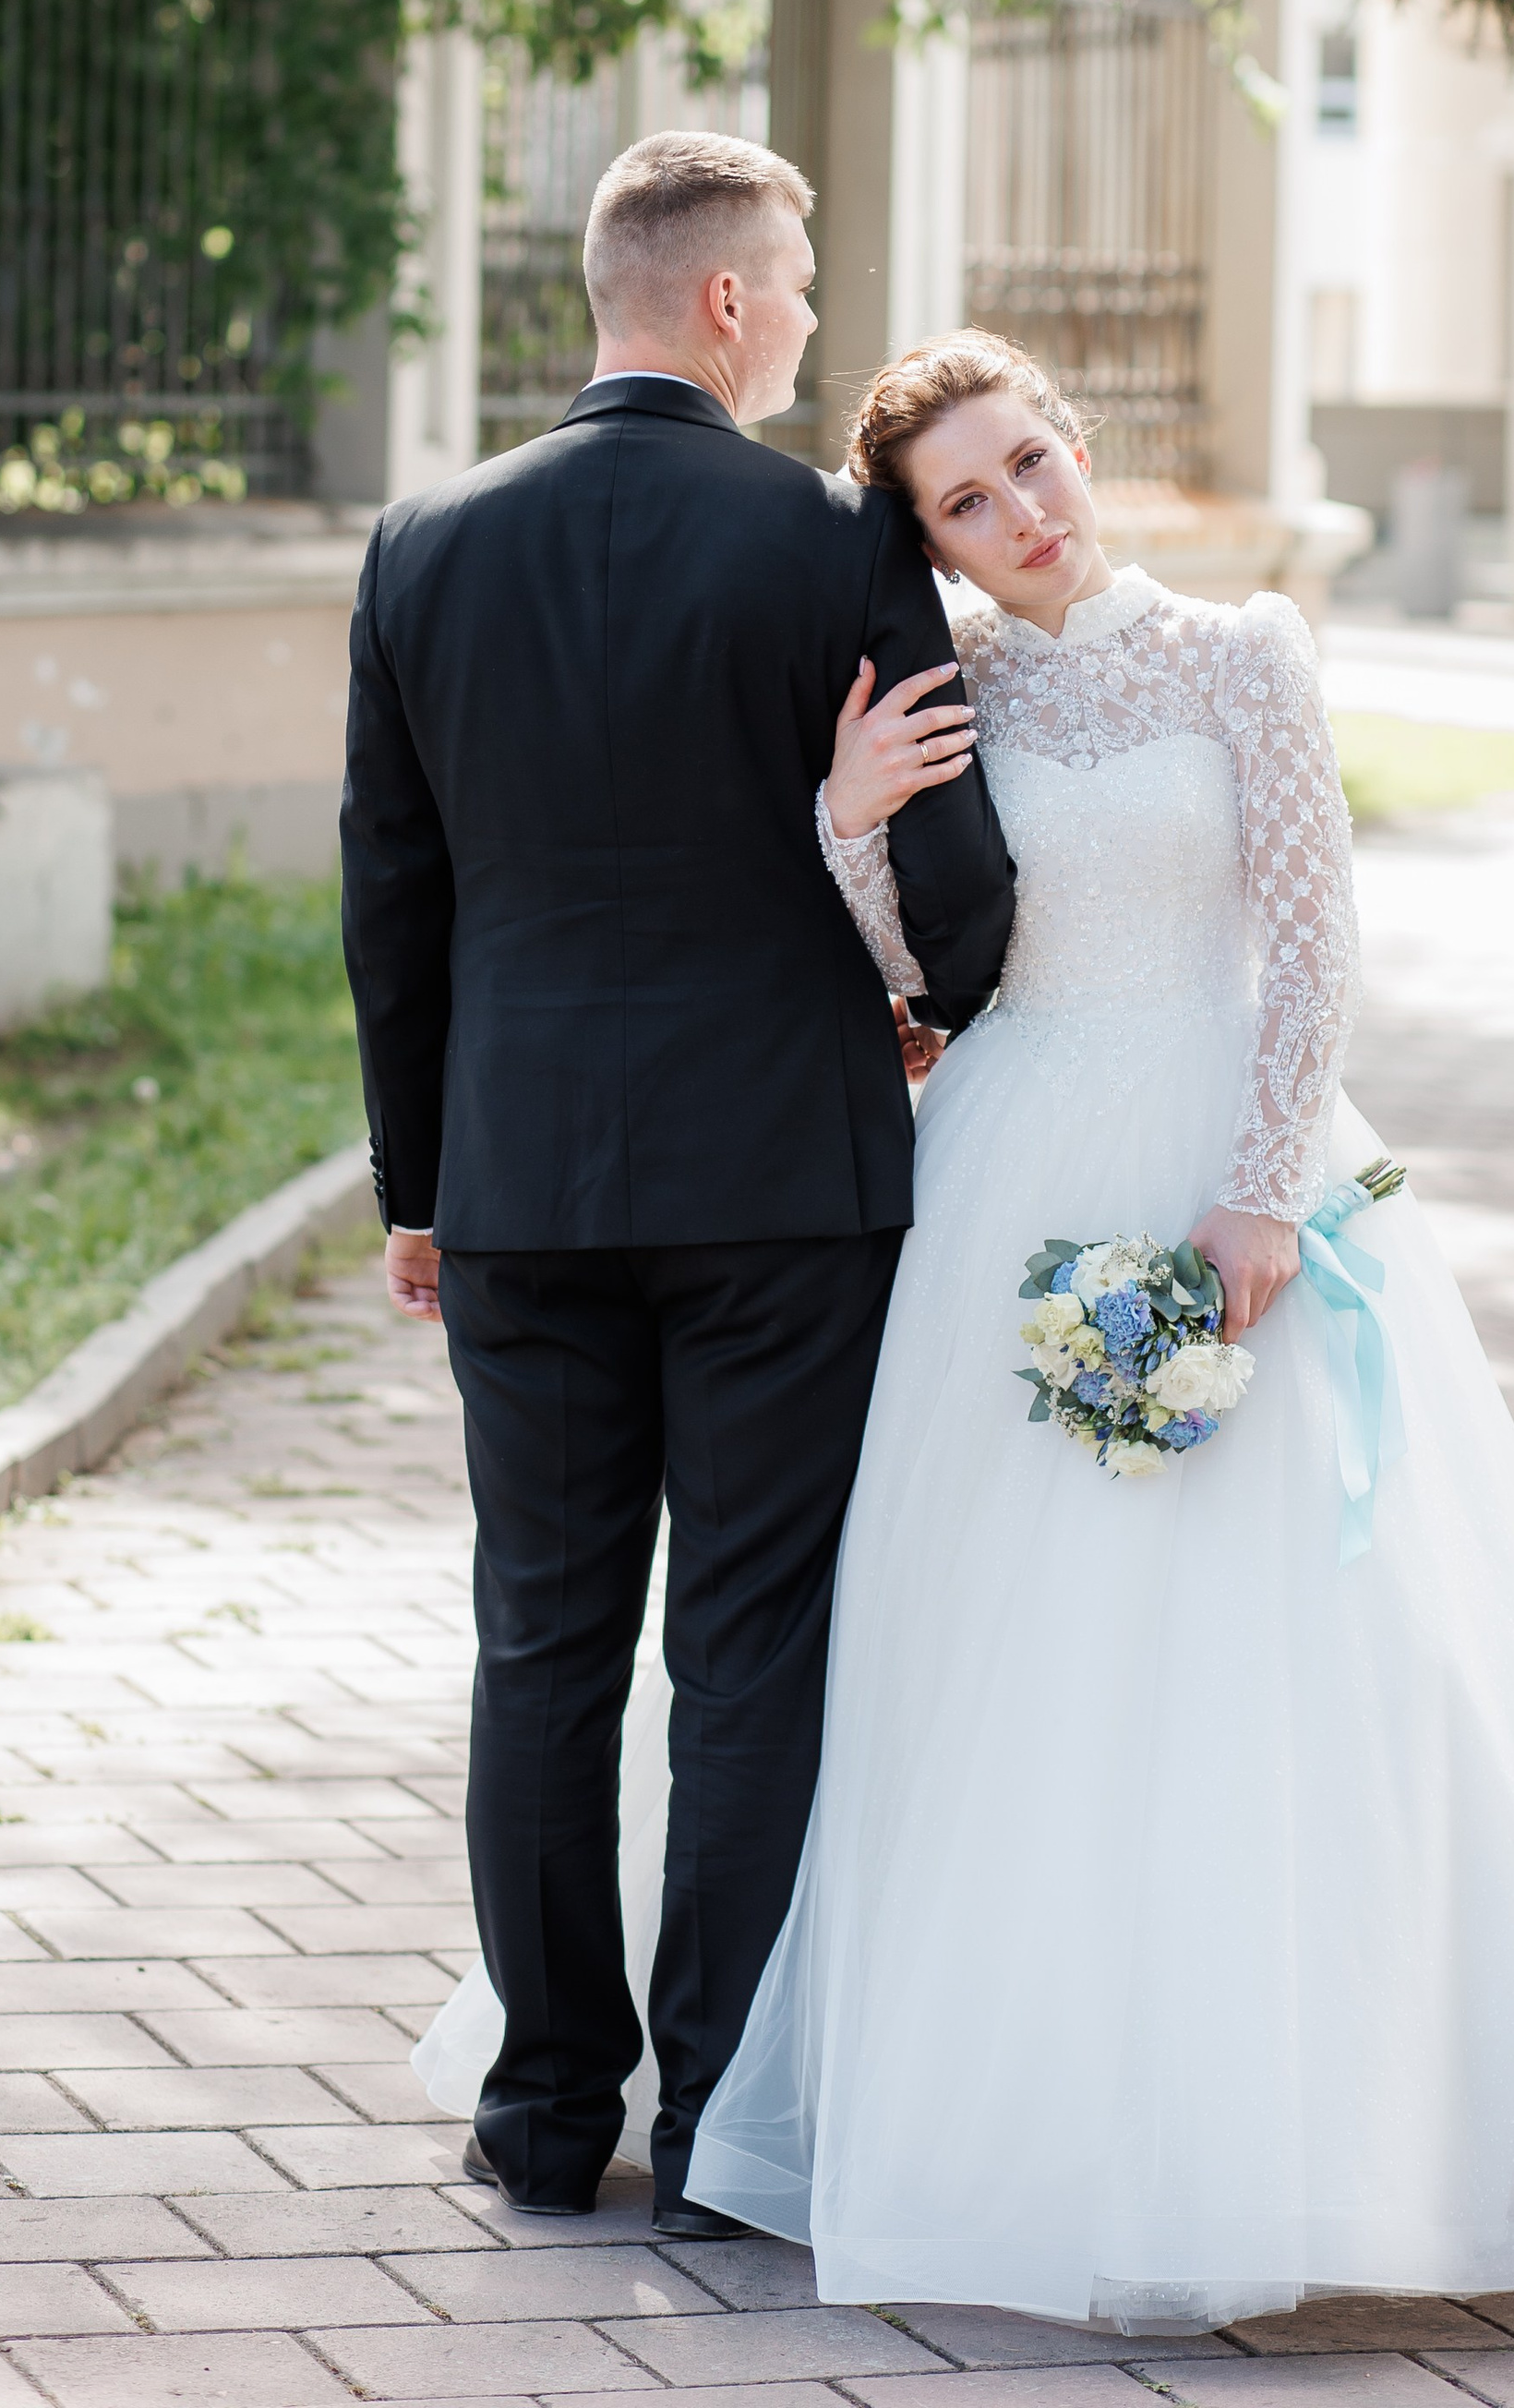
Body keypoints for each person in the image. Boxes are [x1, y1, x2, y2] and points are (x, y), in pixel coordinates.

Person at [431, 325, 1514, 2320]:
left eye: (1031, 465)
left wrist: (1262, 1187)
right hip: (1002, 1163)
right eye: (963, 501)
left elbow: (1312, 934)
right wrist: (846, 819)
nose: (1018, 516)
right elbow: (919, 977)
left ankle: (1328, 2128)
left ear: (1078, 448)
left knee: (1292, 1643)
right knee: (955, 1638)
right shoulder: (944, 688)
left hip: (1217, 1151)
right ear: (921, 539)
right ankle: (942, 2093)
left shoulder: (1241, 654)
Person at [340, 142, 1016, 2240]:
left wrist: (416, 1183)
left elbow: (391, 897)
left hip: (521, 1182)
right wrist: (942, 1002)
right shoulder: (828, 541)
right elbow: (954, 870)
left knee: (539, 1646)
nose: (813, 315)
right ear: (722, 306)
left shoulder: (423, 542)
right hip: (783, 1189)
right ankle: (719, 2127)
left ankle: (548, 2120)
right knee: (743, 1648)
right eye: (798, 283)